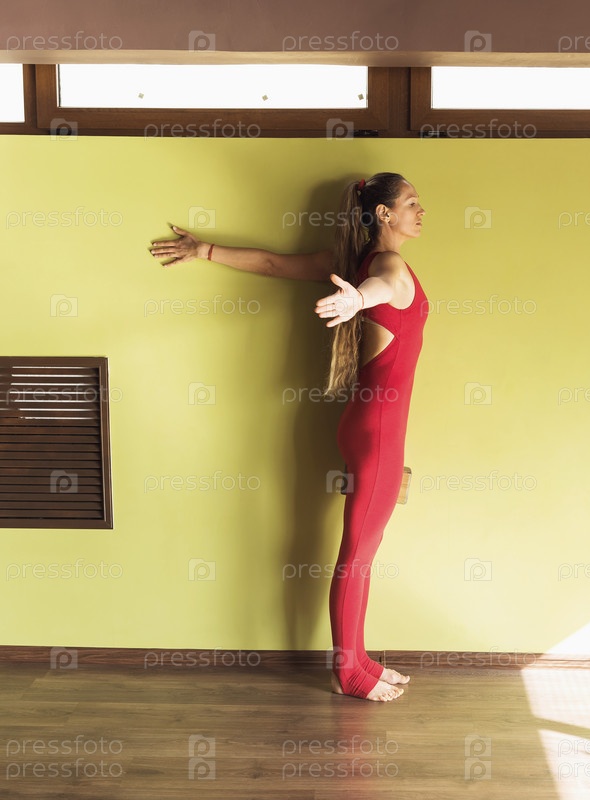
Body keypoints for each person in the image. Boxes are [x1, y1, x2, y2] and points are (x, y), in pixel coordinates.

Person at [150, 172, 427, 702]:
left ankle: (359, 659)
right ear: (385, 213)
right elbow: (383, 288)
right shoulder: (385, 267)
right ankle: (349, 672)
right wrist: (356, 301)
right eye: (412, 202)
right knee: (358, 555)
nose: (421, 211)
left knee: (362, 551)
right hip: (378, 434)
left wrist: (205, 250)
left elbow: (274, 264)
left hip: (367, 426)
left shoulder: (353, 261)